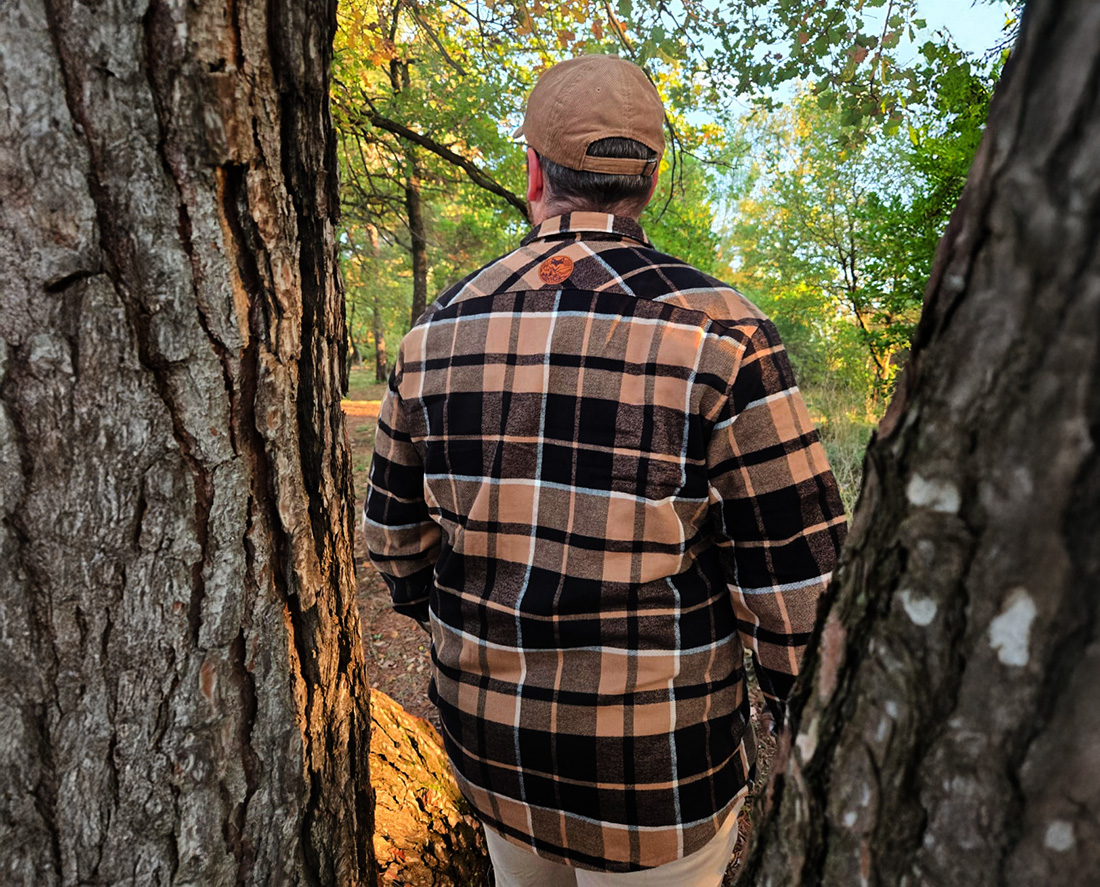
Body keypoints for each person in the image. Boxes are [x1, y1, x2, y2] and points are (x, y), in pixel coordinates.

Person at [363, 54, 847, 886]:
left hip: (494, 752)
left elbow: (397, 550)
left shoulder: (432, 336)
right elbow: (800, 593)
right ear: (649, 179)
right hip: (655, 778)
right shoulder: (724, 336)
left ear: (533, 170)